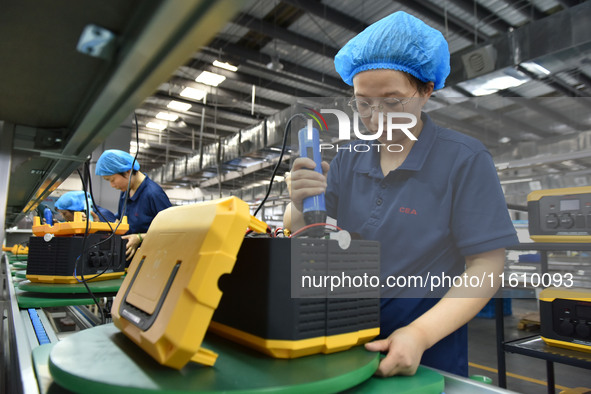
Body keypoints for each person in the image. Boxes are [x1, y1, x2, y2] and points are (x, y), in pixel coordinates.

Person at [284, 11, 518, 377]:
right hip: (341, 343)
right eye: (363, 103)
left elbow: (487, 266)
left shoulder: (463, 159)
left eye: (393, 102)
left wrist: (421, 334)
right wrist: (298, 203)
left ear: (427, 90)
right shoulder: (349, 159)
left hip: (426, 356)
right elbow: (304, 234)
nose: (376, 117)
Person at [95, 149, 172, 260]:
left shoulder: (153, 194)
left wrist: (140, 238)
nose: (112, 185)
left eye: (112, 180)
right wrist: (101, 225)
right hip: (129, 259)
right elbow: (120, 222)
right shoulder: (125, 193)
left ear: (128, 171)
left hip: (150, 259)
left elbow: (171, 231)